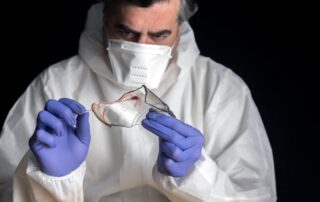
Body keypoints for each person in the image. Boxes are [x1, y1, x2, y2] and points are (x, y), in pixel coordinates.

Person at [0, 0, 277, 201]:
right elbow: (5, 190)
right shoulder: (56, 85)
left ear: (180, 28)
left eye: (159, 35)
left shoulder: (220, 88)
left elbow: (255, 196)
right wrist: (49, 178)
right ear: (105, 19)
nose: (142, 48)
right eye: (127, 33)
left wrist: (196, 175)